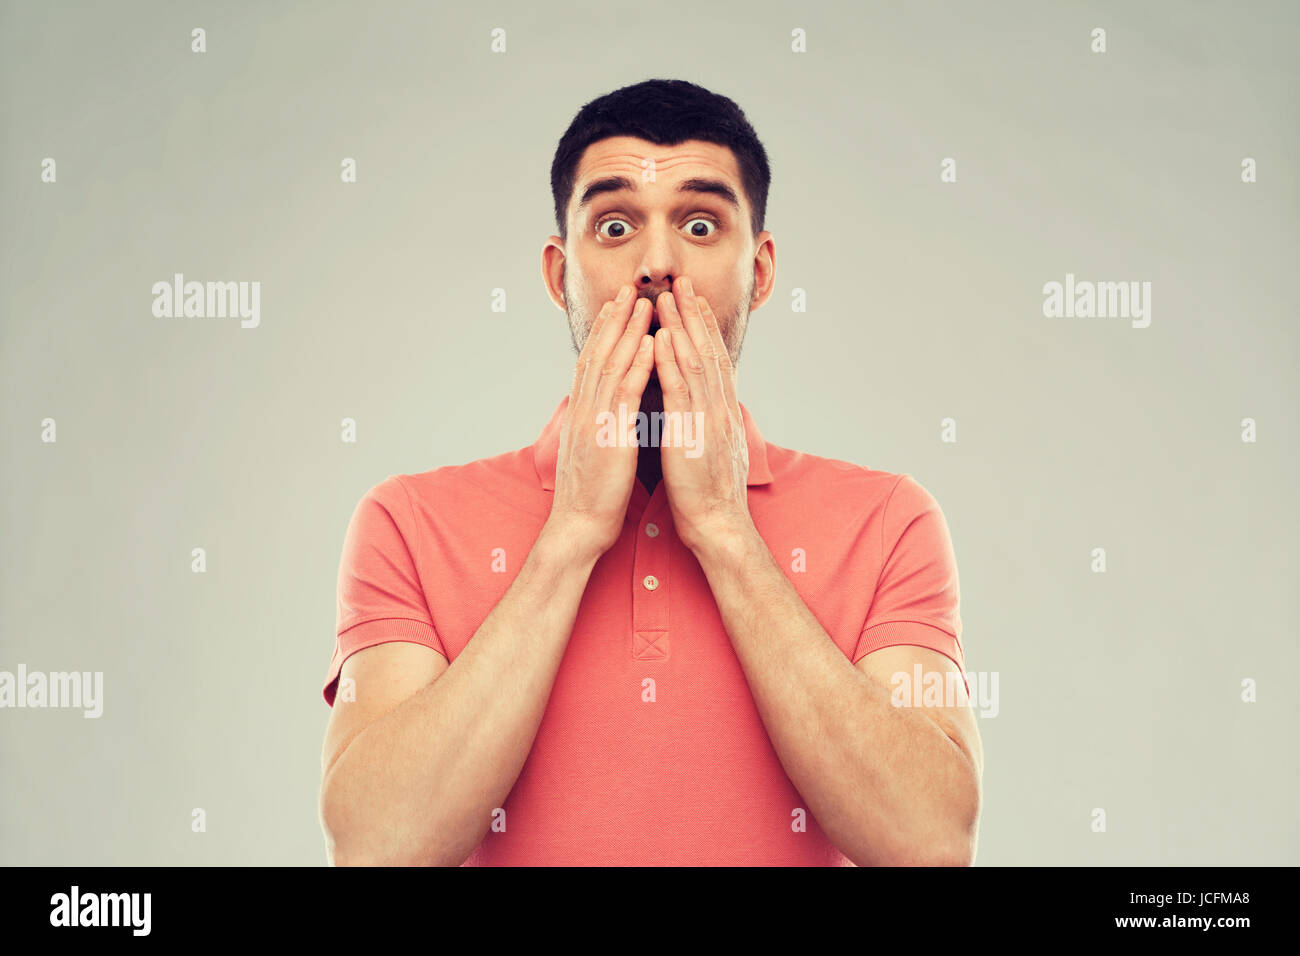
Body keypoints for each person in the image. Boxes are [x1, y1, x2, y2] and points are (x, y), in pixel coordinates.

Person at [318, 78, 983, 866]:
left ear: (760, 272)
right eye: (614, 226)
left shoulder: (891, 521)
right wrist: (570, 535)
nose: (658, 263)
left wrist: (725, 532)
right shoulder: (406, 521)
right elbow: (376, 847)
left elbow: (931, 843)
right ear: (557, 273)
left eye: (700, 224)